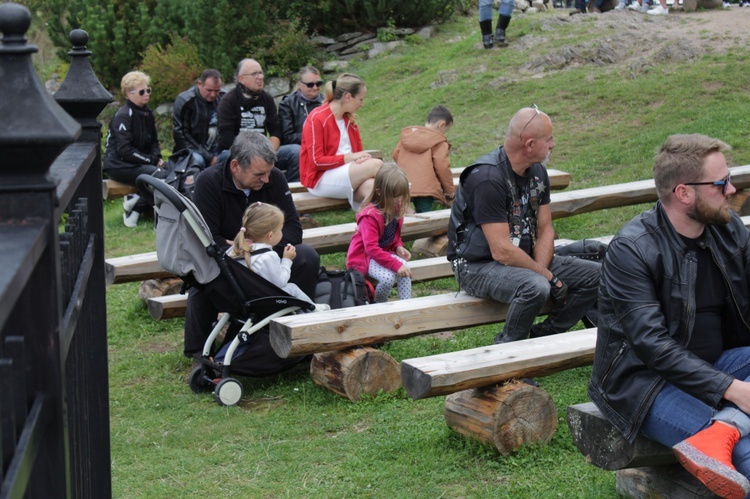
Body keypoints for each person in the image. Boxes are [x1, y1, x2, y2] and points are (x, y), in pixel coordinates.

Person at [589, 134, 750, 499]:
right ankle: (727, 432)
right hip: (648, 384)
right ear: (684, 193)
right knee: (744, 454)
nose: (732, 188)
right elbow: (653, 346)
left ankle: (723, 428)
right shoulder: (633, 249)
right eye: (721, 182)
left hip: (718, 361)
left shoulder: (727, 228)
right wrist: (734, 390)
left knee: (731, 437)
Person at [446, 105, 600, 345]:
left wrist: (544, 272)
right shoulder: (487, 178)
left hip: (523, 259)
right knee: (535, 287)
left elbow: (545, 229)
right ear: (529, 145)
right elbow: (501, 250)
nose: (553, 145)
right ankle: (507, 353)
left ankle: (542, 338)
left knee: (597, 275)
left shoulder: (537, 172)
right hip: (476, 266)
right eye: (548, 140)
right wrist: (546, 277)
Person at [185, 131, 320, 366]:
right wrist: (242, 253)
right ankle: (199, 350)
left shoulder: (275, 178)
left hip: (266, 256)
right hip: (228, 263)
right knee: (202, 275)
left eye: (269, 172)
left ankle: (298, 333)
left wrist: (259, 248)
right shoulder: (209, 181)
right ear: (236, 166)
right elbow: (209, 239)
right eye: (259, 174)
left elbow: (293, 229)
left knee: (306, 256)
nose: (266, 180)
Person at [299, 73, 383, 211]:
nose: (362, 104)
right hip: (320, 178)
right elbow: (316, 161)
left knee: (371, 186)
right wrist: (350, 157)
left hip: (346, 174)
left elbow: (359, 153)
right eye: (360, 99)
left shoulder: (350, 120)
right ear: (348, 97)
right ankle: (403, 206)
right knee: (376, 165)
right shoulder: (317, 118)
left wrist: (360, 158)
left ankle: (368, 227)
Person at [227, 202, 330, 311]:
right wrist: (287, 260)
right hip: (264, 301)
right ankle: (312, 309)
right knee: (291, 288)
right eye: (280, 229)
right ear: (270, 235)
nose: (282, 232)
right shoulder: (267, 256)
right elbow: (280, 282)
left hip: (241, 299)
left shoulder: (235, 250)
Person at [216, 58, 299, 182]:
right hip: (237, 152)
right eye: (254, 74)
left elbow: (276, 131)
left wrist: (267, 152)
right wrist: (251, 155)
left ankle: (287, 193)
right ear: (241, 78)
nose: (260, 77)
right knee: (226, 156)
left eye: (260, 73)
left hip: (264, 151)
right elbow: (226, 138)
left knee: (296, 152)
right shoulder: (228, 101)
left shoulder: (267, 99)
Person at [104, 70, 164, 227]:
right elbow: (124, 150)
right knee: (160, 177)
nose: (146, 94)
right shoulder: (124, 114)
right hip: (119, 165)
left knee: (172, 172)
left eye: (148, 90)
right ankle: (137, 206)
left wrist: (156, 158)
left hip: (137, 163)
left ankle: (135, 206)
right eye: (142, 92)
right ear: (129, 94)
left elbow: (154, 141)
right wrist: (152, 160)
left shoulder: (147, 113)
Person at [347, 164, 412, 303]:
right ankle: (379, 306)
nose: (399, 200)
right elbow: (371, 249)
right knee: (387, 279)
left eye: (401, 195)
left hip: (383, 254)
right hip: (367, 257)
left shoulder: (395, 208)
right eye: (395, 196)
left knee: (406, 271)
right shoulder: (370, 216)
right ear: (379, 192)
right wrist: (396, 264)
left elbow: (394, 236)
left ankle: (406, 305)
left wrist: (398, 246)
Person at [393, 105, 455, 213]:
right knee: (425, 213)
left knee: (402, 213)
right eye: (446, 129)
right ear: (442, 125)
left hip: (403, 184)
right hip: (426, 187)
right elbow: (442, 166)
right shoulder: (439, 142)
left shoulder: (407, 137)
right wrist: (449, 189)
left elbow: (395, 154)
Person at [172, 68, 224, 169]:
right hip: (192, 149)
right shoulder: (185, 101)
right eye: (209, 90)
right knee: (197, 161)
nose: (213, 94)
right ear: (200, 84)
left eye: (217, 90)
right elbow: (181, 135)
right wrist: (208, 157)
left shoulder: (224, 98)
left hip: (218, 148)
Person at [278, 66, 324, 171]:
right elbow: (287, 137)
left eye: (318, 84)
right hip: (301, 148)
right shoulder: (287, 103)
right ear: (299, 84)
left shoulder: (326, 102)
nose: (315, 87)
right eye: (310, 85)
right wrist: (314, 137)